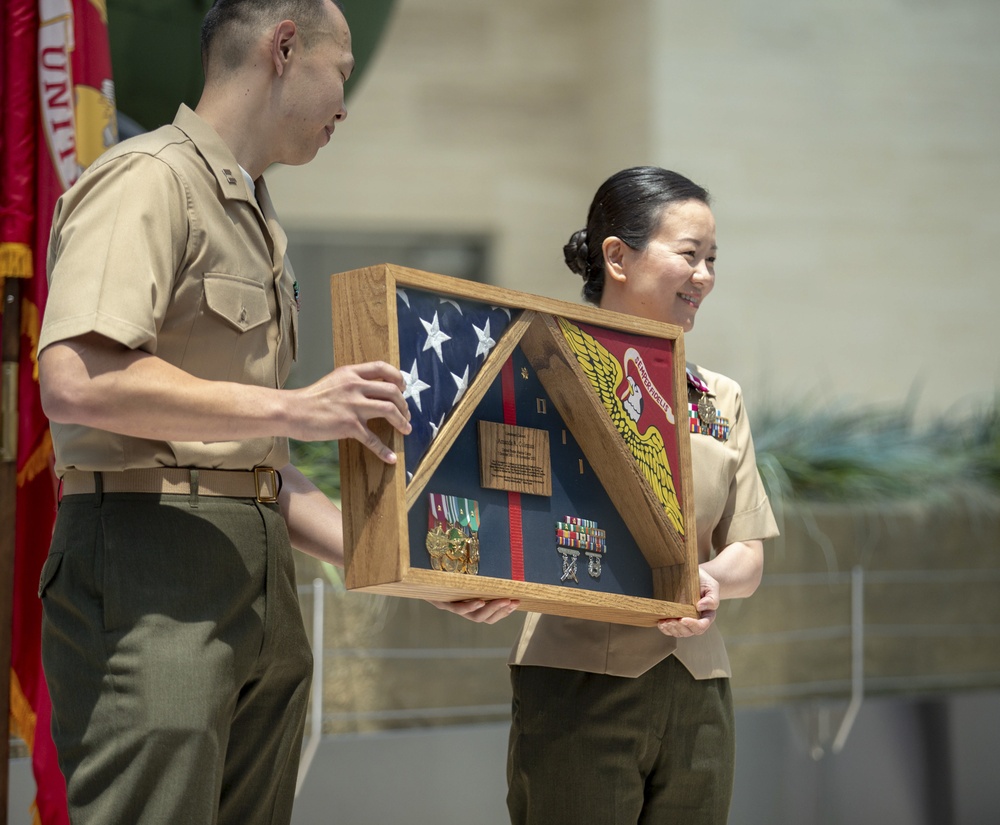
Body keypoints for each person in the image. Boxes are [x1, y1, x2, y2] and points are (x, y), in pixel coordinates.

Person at [36, 2, 411, 823]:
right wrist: (299, 405)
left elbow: (257, 458)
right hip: (151, 575)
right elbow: (76, 377)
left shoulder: (255, 219)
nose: (346, 103)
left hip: (256, 581)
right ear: (284, 49)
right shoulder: (147, 180)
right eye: (340, 71)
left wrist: (400, 561)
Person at [437, 166, 778, 824]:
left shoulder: (718, 398)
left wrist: (707, 580)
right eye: (688, 254)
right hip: (577, 681)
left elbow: (747, 549)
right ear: (617, 256)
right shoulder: (541, 374)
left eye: (712, 259)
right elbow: (504, 517)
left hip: (699, 689)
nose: (704, 275)